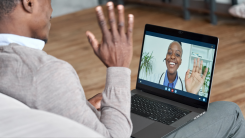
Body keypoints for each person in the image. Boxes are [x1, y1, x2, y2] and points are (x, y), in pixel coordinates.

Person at [0, 0, 244, 138]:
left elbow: (39, 107)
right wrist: (117, 67)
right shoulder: (48, 72)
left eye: (177, 54)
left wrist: (81, 106)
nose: (51, 8)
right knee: (229, 111)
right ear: (29, 2)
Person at [141, 41, 208, 95]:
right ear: (166, 57)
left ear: (180, 61)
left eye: (177, 54)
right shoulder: (151, 79)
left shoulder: (186, 87)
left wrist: (192, 94)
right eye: (170, 53)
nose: (172, 57)